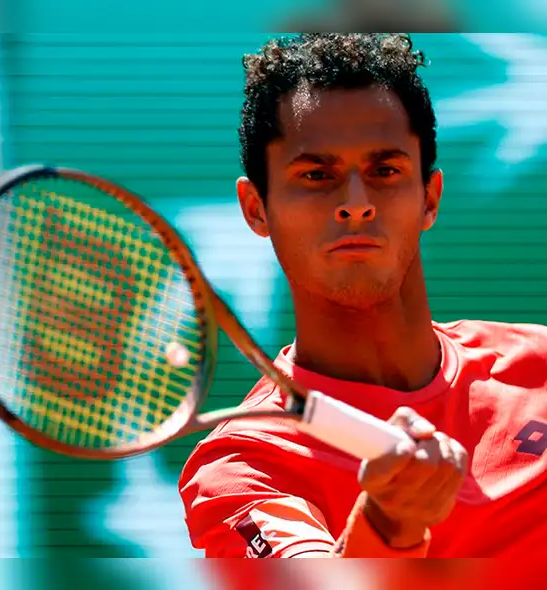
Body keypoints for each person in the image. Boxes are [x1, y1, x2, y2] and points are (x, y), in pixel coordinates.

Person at [178, 33, 547, 558]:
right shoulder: (243, 467)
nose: (355, 203)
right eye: (316, 175)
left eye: (385, 171)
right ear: (257, 208)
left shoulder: (540, 366)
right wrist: (387, 525)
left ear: (430, 197)